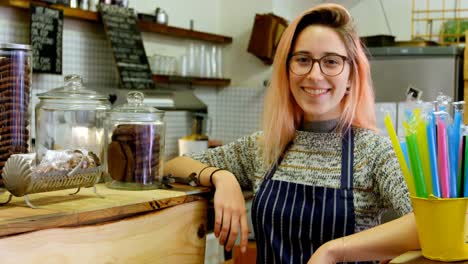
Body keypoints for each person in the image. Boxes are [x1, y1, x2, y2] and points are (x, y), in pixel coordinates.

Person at [164, 3, 420, 263]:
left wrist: (333, 250)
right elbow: (170, 167)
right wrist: (221, 177)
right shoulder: (264, 146)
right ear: (287, 70)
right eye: (303, 60)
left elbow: (428, 225)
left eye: (331, 61)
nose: (314, 75)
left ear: (351, 77)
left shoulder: (374, 152)